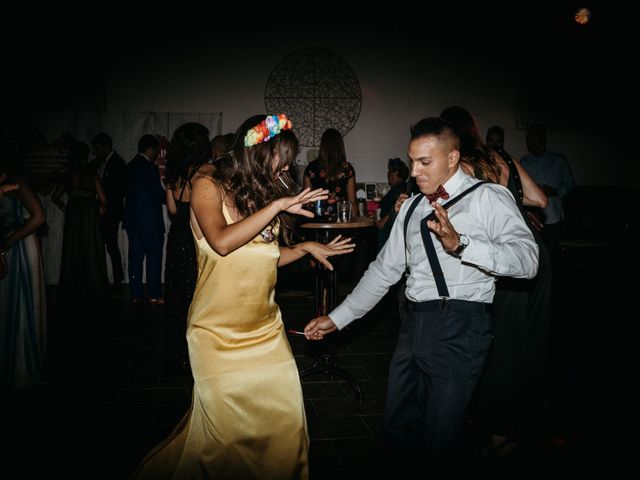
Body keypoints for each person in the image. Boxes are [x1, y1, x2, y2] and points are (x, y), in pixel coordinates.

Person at [304, 116, 539, 470]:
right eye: (412, 161)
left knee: (440, 439)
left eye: (424, 162)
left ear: (452, 158)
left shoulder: (490, 197)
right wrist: (337, 318)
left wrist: (461, 245)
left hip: (462, 325)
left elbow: (528, 261)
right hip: (413, 325)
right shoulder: (412, 207)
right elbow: (383, 272)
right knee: (400, 430)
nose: (414, 171)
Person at [131, 113, 354, 479]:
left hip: (266, 334)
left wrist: (305, 248)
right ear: (257, 151)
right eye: (282, 155)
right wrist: (277, 208)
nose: (286, 165)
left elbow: (262, 258)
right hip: (216, 336)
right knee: (225, 444)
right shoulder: (207, 184)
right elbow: (222, 242)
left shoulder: (261, 195)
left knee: (286, 428)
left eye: (289, 158)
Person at [440, 107, 551, 456]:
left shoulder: (460, 165)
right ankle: (516, 422)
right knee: (528, 343)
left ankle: (495, 427)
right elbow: (539, 200)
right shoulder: (501, 156)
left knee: (496, 342)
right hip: (534, 255)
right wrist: (515, 206)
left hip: (500, 259)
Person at [162, 122, 210, 383]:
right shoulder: (203, 176)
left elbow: (172, 210)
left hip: (176, 239)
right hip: (194, 240)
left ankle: (176, 357)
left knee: (177, 298)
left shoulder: (174, 174)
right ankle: (196, 357)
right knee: (197, 297)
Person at [0, 144, 47, 395]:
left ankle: (22, 370)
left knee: (20, 305)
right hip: (8, 244)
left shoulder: (14, 177)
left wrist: (7, 242)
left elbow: (39, 216)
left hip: (19, 245)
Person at [53, 140, 109, 301]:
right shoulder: (91, 172)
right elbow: (103, 198)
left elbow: (55, 197)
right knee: (91, 247)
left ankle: (74, 286)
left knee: (73, 248)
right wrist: (102, 207)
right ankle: (93, 285)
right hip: (89, 212)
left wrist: (64, 206)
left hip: (73, 212)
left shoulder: (67, 174)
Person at [520, 124, 575, 272]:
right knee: (535, 259)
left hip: (554, 218)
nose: (528, 141)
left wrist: (555, 191)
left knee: (553, 258)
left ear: (543, 138)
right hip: (533, 220)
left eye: (532, 137)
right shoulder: (524, 162)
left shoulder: (558, 160)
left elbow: (570, 184)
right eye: (527, 138)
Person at [123, 135, 165, 305]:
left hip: (133, 222)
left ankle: (136, 294)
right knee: (154, 258)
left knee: (135, 259)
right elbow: (158, 194)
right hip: (151, 222)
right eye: (155, 151)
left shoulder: (129, 167)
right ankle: (154, 294)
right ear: (149, 149)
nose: (156, 155)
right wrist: (171, 196)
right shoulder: (151, 169)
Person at [90, 133, 126, 290]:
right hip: (105, 212)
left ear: (105, 147)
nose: (95, 152)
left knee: (111, 245)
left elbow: (119, 190)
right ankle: (107, 278)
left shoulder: (118, 163)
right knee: (105, 245)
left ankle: (117, 280)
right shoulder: (100, 163)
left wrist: (105, 204)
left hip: (111, 213)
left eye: (97, 149)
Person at [303, 127, 357, 217]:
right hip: (340, 220)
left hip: (316, 220)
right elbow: (352, 202)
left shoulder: (311, 168)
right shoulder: (347, 169)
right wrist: (356, 225)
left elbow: (305, 200)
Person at [376, 158, 409, 252]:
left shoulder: (402, 188)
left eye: (391, 173)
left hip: (389, 227)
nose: (388, 175)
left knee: (384, 253)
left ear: (399, 175)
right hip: (388, 227)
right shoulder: (395, 188)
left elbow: (396, 205)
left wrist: (383, 220)